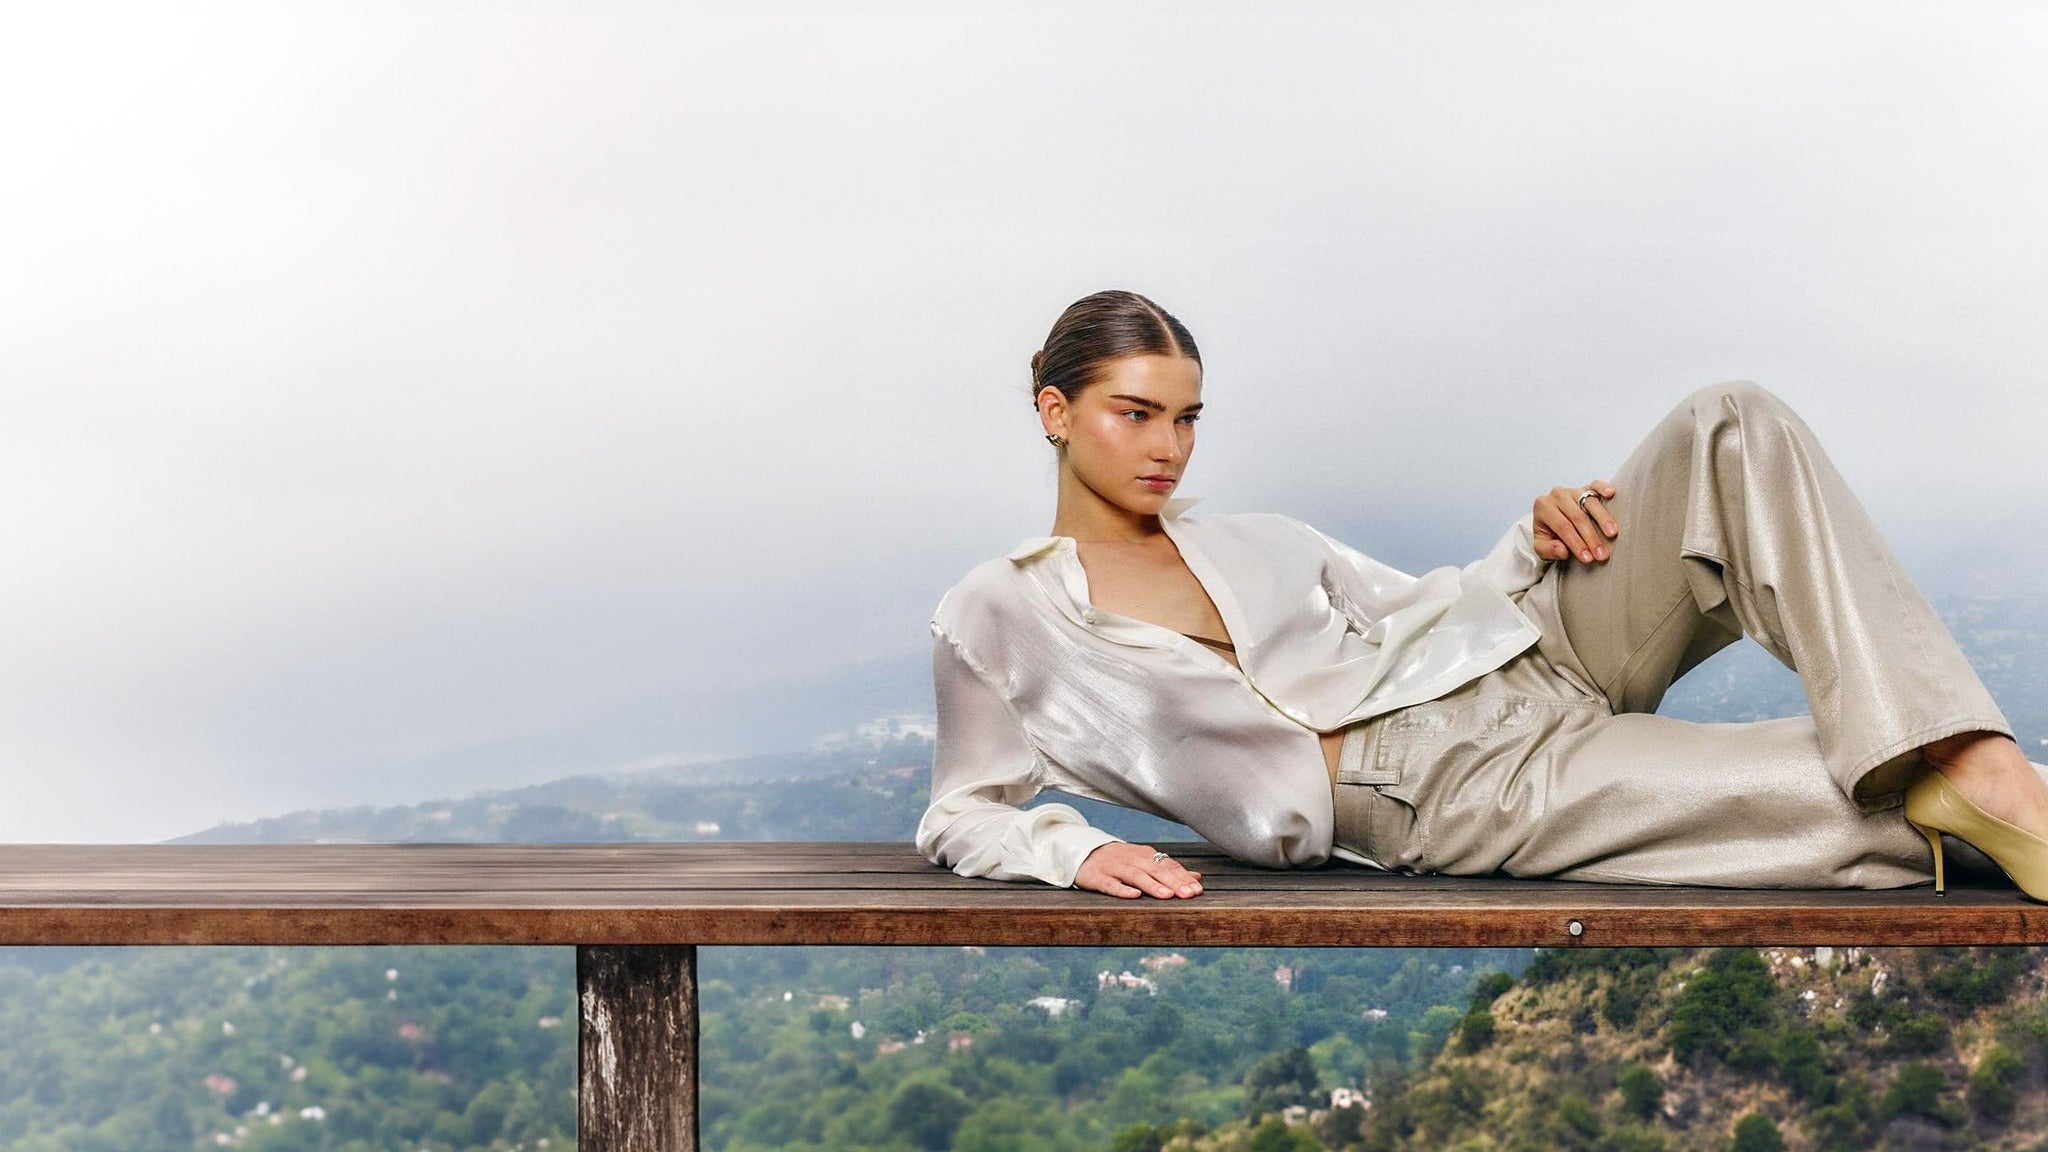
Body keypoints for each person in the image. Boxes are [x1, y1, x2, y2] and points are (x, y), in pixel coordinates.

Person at [917, 289, 2048, 901]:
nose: (1166, 445)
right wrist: (1069, 852)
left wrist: (1532, 534)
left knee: (1729, 420)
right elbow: (959, 813)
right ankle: (1995, 782)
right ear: (1055, 411)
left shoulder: (1253, 539)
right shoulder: (999, 613)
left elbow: (1426, 610)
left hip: (1526, 651)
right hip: (1442, 787)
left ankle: (1978, 761)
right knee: (1854, 790)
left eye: (1186, 416)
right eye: (1134, 412)